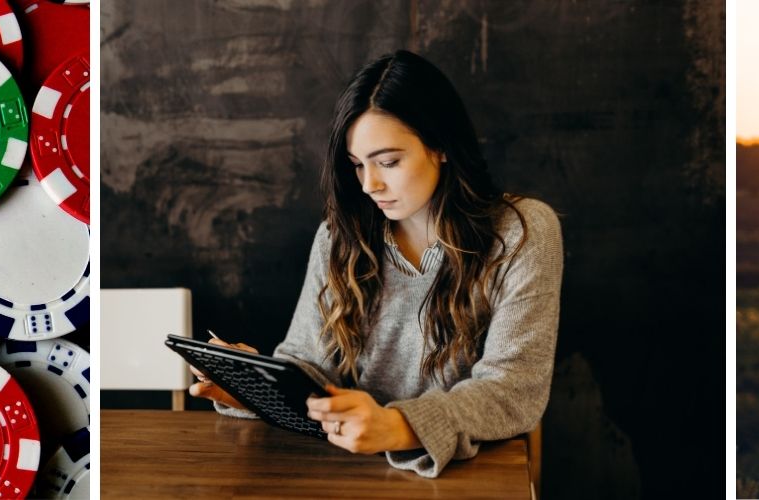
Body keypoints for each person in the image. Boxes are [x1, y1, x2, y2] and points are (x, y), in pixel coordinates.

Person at [188, 50, 563, 478]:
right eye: (357, 166)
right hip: (354, 474)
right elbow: (311, 367)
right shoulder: (338, 237)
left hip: (475, 476)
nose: (369, 185)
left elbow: (514, 388)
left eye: (388, 162)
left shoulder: (522, 232)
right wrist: (255, 388)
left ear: (440, 146)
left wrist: (398, 426)